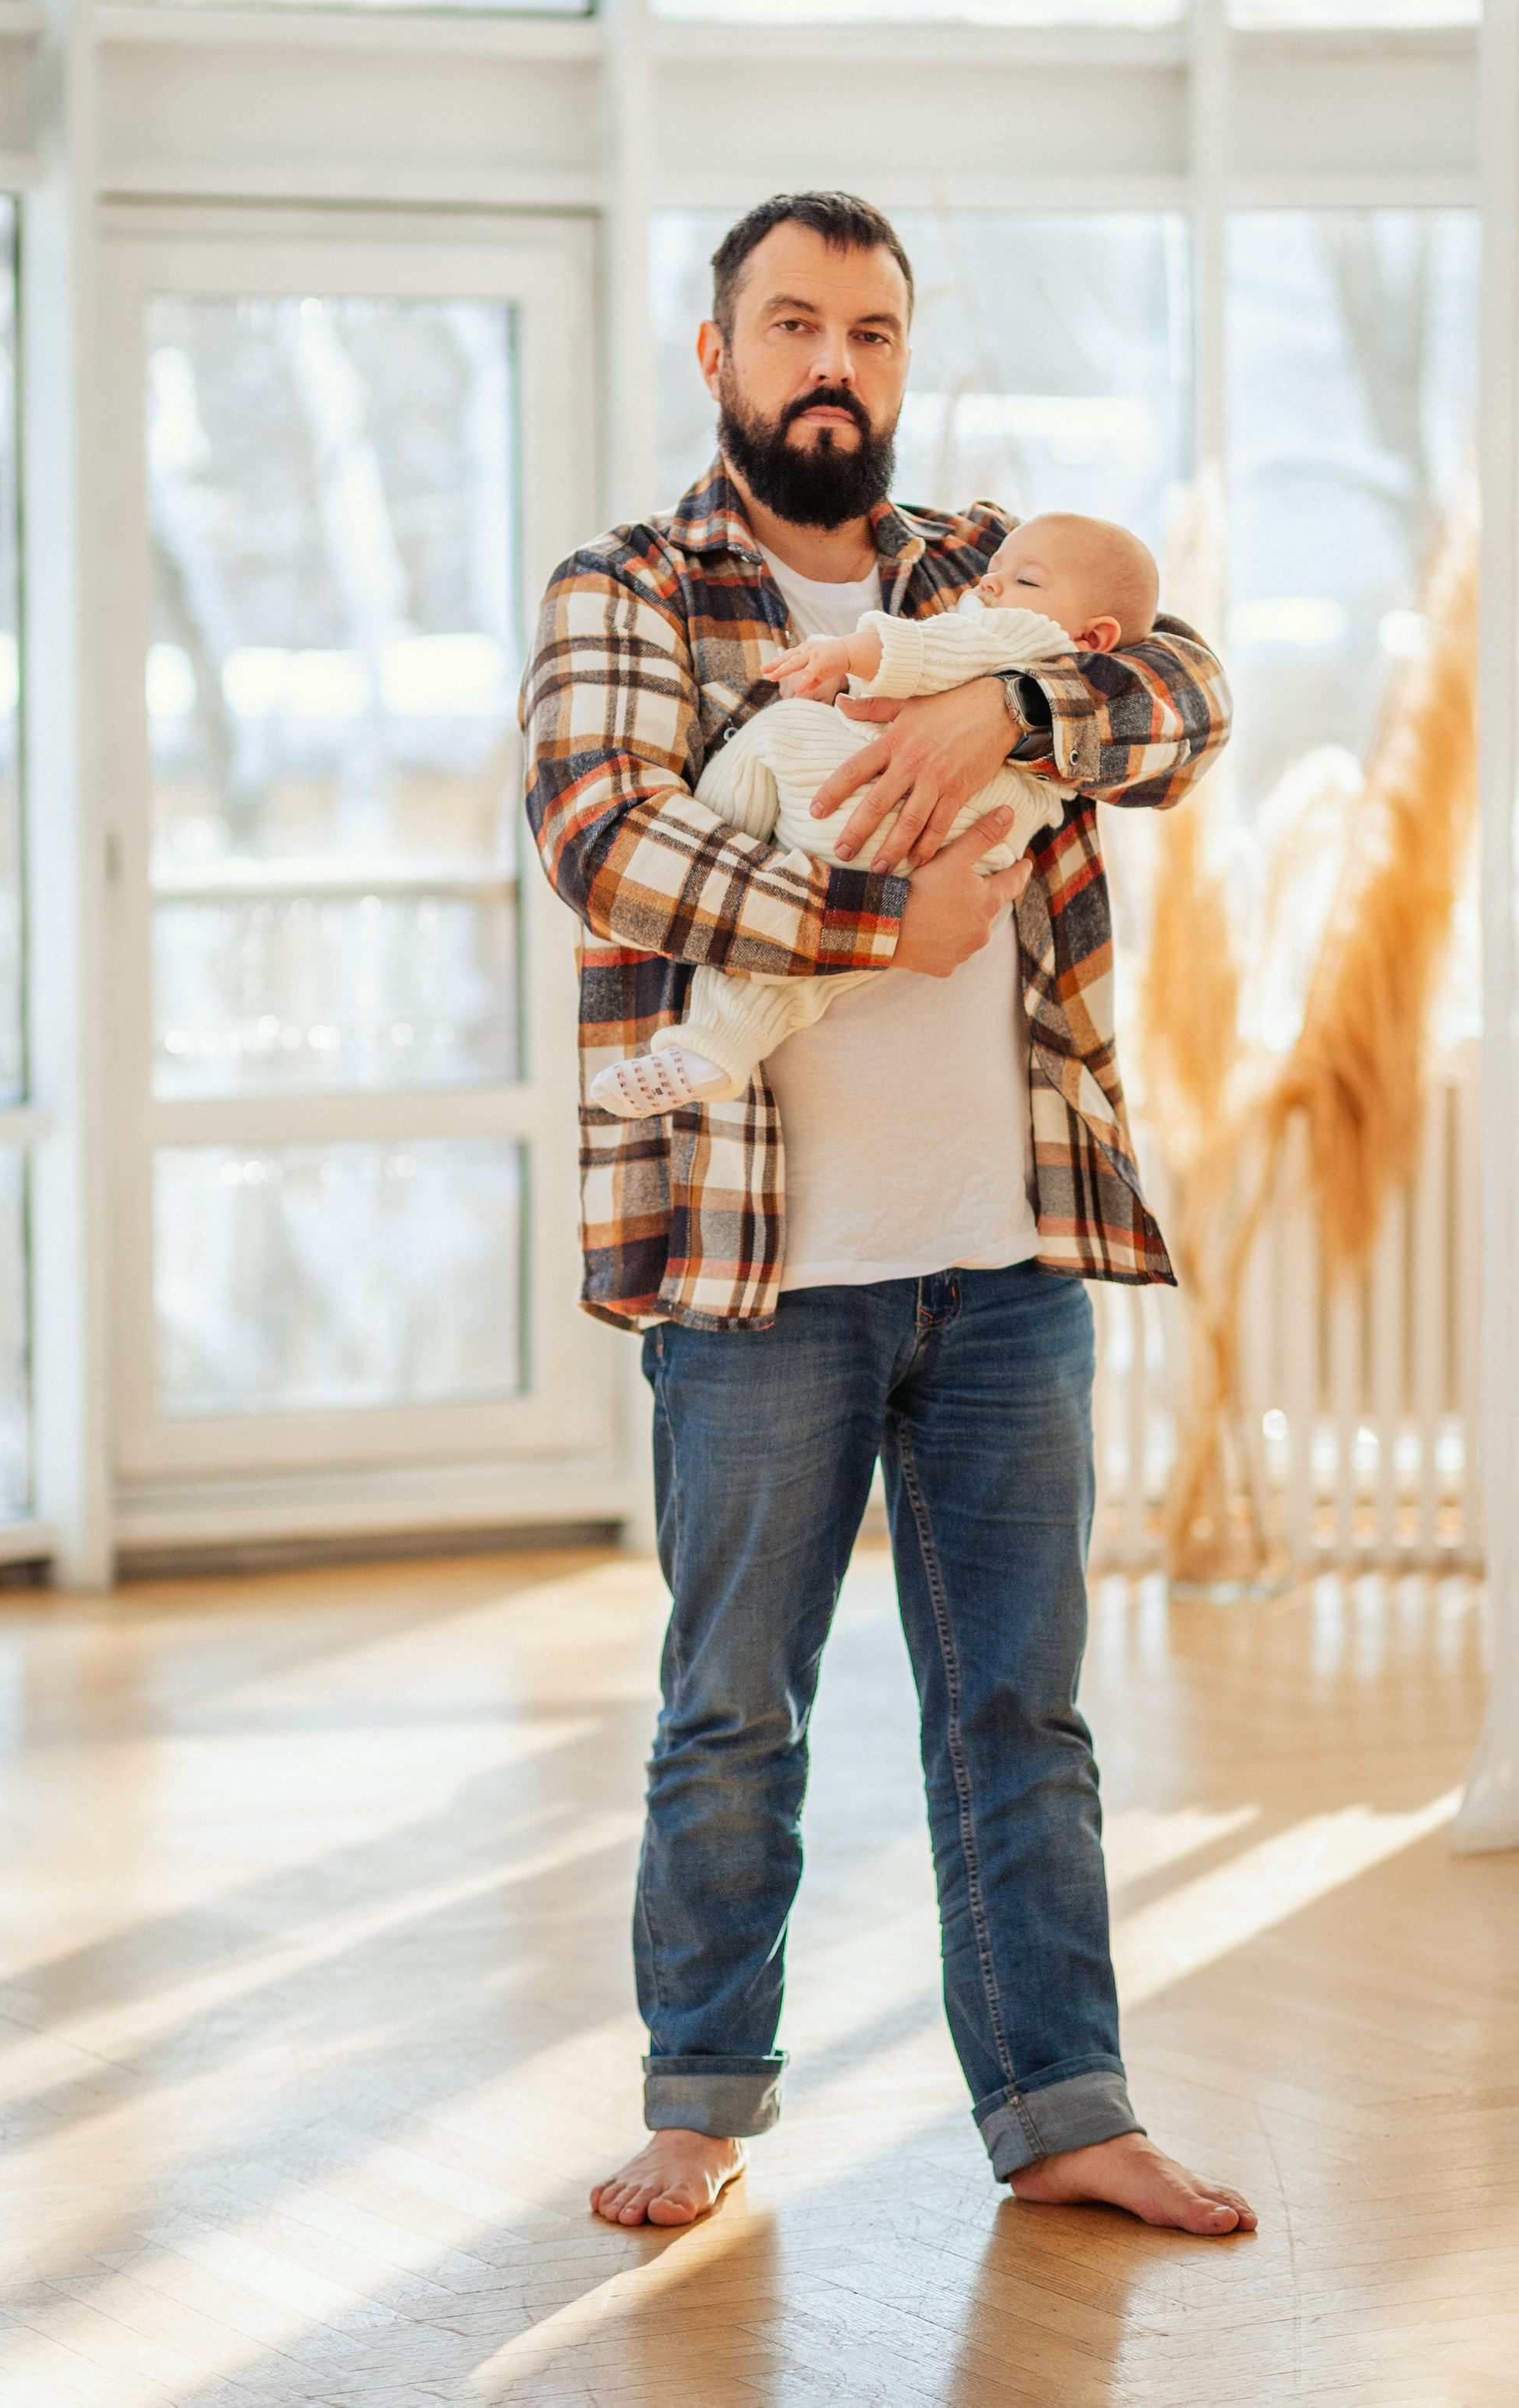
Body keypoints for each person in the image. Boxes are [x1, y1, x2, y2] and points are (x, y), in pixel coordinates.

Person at [520, 190, 1255, 2238]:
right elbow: (605, 837)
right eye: (791, 325)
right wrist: (878, 920)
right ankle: (698, 2099)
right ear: (720, 355)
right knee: (733, 1705)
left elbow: (1189, 700)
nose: (830, 365)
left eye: (868, 331)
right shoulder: (627, 585)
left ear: (902, 362)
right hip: (759, 1268)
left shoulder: (986, 575)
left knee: (1022, 1703)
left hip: (1006, 1256)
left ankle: (1064, 2106)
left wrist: (997, 711)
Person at [587, 512, 1159, 1116]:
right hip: (965, 859)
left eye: (1026, 580)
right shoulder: (623, 577)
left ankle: (729, 854)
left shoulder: (1025, 633)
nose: (991, 582)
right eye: (995, 571)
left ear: (1094, 639)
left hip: (884, 813)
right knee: (815, 977)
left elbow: (934, 650)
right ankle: (715, 1053)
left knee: (777, 735)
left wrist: (843, 654)